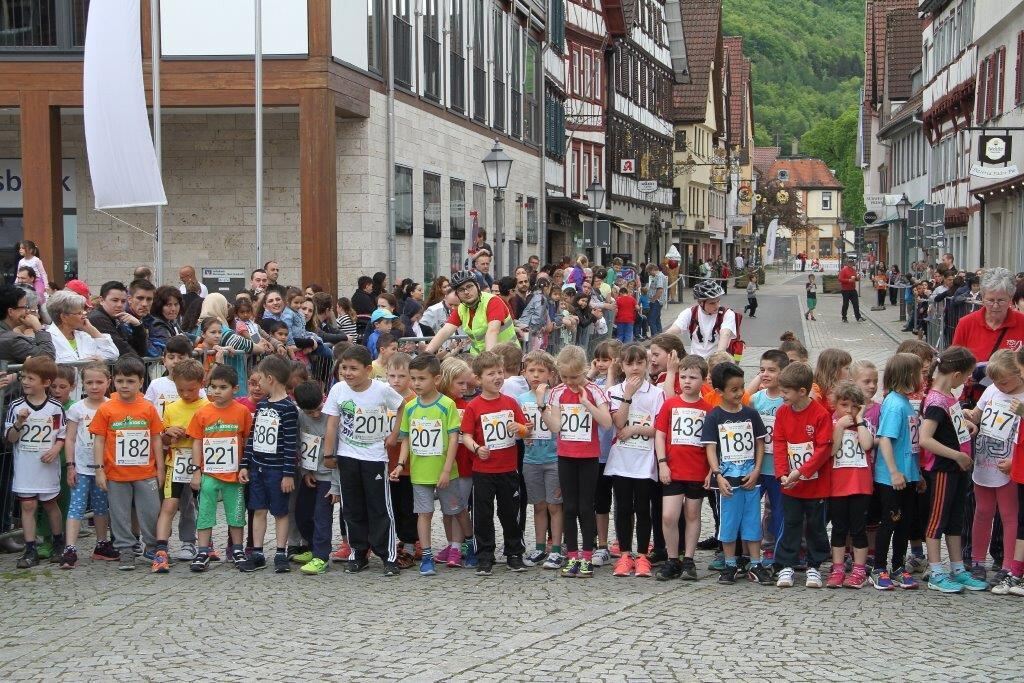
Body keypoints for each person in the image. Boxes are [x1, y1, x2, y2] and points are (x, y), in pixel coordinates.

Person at [323, 345, 406, 576]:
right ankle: (358, 552)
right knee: (351, 507)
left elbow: (401, 406)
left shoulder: (381, 390)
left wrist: (394, 433)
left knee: (379, 507)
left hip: (374, 457)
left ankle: (388, 555)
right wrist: (328, 454)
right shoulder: (338, 390)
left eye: (354, 369)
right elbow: (331, 423)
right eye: (344, 368)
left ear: (368, 370)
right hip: (347, 456)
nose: (348, 373)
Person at [918, 346, 989, 593]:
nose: (968, 380)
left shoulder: (949, 395)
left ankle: (957, 568)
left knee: (955, 521)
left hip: (958, 469)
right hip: (943, 469)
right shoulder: (936, 400)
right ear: (957, 374)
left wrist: (967, 426)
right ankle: (936, 570)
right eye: (968, 375)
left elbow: (953, 425)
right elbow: (926, 438)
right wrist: (957, 455)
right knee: (938, 520)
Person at [539, 346, 612, 578]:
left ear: (584, 371)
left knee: (585, 507)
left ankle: (587, 556)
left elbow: (607, 422)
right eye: (565, 377)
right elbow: (556, 428)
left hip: (589, 457)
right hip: (566, 456)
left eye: (575, 377)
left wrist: (586, 404)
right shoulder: (558, 392)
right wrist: (542, 407)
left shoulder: (595, 391)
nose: (570, 382)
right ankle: (572, 556)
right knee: (569, 507)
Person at [460, 351, 532, 575]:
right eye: (491, 374)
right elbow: (467, 435)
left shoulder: (511, 402)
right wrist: (476, 449)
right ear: (479, 379)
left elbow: (526, 431)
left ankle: (514, 552)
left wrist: (518, 429)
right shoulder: (474, 406)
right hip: (483, 470)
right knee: (482, 514)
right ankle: (485, 555)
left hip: (508, 469)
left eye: (500, 372)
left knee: (510, 513)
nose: (497, 377)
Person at [90, 356, 163, 570]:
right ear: (114, 382)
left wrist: (160, 468)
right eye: (121, 381)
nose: (125, 386)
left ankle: (152, 546)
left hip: (146, 471)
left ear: (141, 382)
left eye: (130, 381)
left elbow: (156, 438)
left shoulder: (148, 408)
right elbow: (99, 440)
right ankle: (126, 549)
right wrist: (99, 470)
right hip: (116, 473)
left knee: (151, 511)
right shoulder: (106, 409)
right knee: (119, 513)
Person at [701, 362, 772, 585]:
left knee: (752, 522)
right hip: (728, 481)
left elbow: (760, 443)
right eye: (734, 390)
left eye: (742, 387)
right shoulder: (714, 417)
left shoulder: (751, 414)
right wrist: (717, 474)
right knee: (729, 524)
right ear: (719, 392)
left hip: (751, 478)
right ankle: (730, 564)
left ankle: (755, 563)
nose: (740, 392)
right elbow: (710, 448)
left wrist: (757, 469)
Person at [392, 354, 463, 577]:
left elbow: (453, 438)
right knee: (424, 513)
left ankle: (460, 546)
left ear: (437, 379)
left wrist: (446, 469)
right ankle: (428, 555)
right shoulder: (410, 407)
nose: (416, 384)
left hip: (445, 472)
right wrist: (400, 464)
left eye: (421, 378)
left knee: (455, 511)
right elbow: (406, 439)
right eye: (413, 379)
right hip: (420, 473)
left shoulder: (447, 405)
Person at [185, 364, 252, 571]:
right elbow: (196, 441)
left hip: (233, 474)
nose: (216, 392)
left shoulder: (242, 412)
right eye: (213, 387)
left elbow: (247, 440)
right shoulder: (202, 413)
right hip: (209, 473)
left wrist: (245, 467)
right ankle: (203, 550)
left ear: (235, 388)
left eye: (223, 387)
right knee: (205, 511)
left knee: (236, 512)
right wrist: (196, 470)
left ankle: (237, 549)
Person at [771, 362, 832, 589]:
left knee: (816, 525)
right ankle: (786, 563)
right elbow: (778, 443)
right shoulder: (782, 413)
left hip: (815, 483)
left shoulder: (820, 414)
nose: (782, 396)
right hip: (790, 484)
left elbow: (823, 449)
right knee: (791, 522)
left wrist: (802, 471)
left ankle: (814, 565)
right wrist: (782, 473)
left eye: (785, 392)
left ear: (802, 392)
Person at [237, 355, 299, 574]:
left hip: (277, 470)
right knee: (258, 509)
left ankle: (281, 552)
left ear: (270, 379)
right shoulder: (262, 405)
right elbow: (253, 438)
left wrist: (288, 474)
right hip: (258, 468)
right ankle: (257, 552)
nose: (258, 384)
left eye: (260, 379)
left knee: (280, 512)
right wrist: (245, 464)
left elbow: (290, 443)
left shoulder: (288, 408)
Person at [606, 343, 663, 578]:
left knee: (643, 507)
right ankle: (625, 555)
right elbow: (618, 423)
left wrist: (637, 428)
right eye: (630, 363)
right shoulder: (613, 392)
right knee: (622, 508)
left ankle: (642, 555)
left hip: (644, 459)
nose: (635, 368)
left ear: (647, 364)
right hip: (622, 459)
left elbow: (660, 428)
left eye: (640, 363)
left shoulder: (657, 393)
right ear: (622, 365)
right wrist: (627, 397)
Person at [967, 351, 1022, 588]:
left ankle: (1008, 565)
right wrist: (968, 419)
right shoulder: (991, 390)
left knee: (1009, 516)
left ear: (1018, 373)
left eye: (1006, 381)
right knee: (982, 511)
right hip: (984, 460)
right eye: (997, 382)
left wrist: (1015, 463)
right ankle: (977, 561)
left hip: (1009, 464)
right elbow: (978, 415)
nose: (1001, 386)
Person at [871, 352, 924, 590]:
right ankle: (879, 567)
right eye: (919, 372)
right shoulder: (894, 404)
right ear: (908, 375)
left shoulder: (904, 402)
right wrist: (894, 472)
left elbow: (910, 443)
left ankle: (899, 566)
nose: (922, 376)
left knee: (905, 523)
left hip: (909, 475)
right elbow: (884, 440)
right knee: (890, 522)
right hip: (892, 478)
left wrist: (917, 473)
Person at [151, 359, 209, 574]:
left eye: (191, 389)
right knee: (169, 506)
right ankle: (161, 550)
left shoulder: (207, 406)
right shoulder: (172, 408)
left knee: (200, 505)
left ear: (201, 384)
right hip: (175, 463)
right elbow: (164, 440)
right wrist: (168, 434)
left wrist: (193, 434)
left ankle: (202, 545)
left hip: (200, 464)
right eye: (180, 389)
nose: (185, 394)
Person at [7, 356, 66, 569]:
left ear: (46, 383)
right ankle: (30, 548)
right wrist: (19, 422)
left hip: (47, 465)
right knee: (28, 504)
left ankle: (58, 542)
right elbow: (10, 438)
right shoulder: (16, 406)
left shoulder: (55, 408)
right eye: (23, 377)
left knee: (50, 503)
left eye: (31, 378)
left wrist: (56, 449)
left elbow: (61, 433)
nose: (25, 382)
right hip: (26, 464)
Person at [60, 363, 117, 568]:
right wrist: (70, 465)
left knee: (101, 506)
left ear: (108, 382)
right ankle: (70, 547)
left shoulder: (111, 406)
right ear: (82, 384)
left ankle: (101, 543)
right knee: (77, 505)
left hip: (104, 467)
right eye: (89, 382)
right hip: (82, 467)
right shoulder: (77, 408)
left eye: (99, 382)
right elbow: (70, 439)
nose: (94, 386)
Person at [825, 381, 875, 589]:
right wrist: (838, 426)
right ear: (836, 405)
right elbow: (831, 450)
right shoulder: (831, 423)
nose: (849, 410)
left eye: (855, 406)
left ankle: (859, 569)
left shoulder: (863, 424)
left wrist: (860, 420)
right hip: (837, 485)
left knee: (858, 528)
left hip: (860, 485)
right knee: (838, 528)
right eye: (844, 405)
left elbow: (867, 445)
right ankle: (837, 567)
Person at [518, 350, 563, 569]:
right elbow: (517, 430)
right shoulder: (520, 400)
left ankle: (555, 548)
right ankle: (538, 546)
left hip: (553, 458)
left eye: (541, 371)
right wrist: (521, 432)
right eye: (531, 370)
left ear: (550, 374)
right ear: (524, 373)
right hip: (531, 459)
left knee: (555, 506)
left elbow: (560, 427)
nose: (536, 375)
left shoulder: (556, 397)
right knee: (538, 506)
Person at [424, 270, 518, 356]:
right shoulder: (462, 308)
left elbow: (492, 331)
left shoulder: (492, 301)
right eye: (461, 290)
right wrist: (426, 353)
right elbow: (445, 331)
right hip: (480, 358)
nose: (466, 292)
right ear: (457, 294)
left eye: (469, 286)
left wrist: (489, 359)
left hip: (507, 357)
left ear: (477, 286)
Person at [952, 268, 1024, 363]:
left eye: (1001, 300)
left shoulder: (1022, 322)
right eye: (990, 300)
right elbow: (954, 363)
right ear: (982, 298)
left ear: (1011, 299)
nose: (995, 306)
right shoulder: (966, 323)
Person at [665, 279, 736, 359]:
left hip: (717, 359)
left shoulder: (727, 314)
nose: (717, 306)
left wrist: (718, 356)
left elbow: (725, 334)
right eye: (712, 303)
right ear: (700, 303)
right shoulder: (690, 312)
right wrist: (659, 342)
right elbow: (674, 329)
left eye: (718, 301)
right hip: (696, 361)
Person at [88, 281, 148, 357]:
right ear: (101, 300)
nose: (120, 305)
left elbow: (140, 352)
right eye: (115, 300)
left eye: (123, 301)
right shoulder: (97, 318)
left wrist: (137, 325)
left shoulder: (118, 319)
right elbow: (124, 350)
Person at [0, 284, 54, 362]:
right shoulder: (12, 340)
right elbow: (47, 358)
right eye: (25, 307)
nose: (27, 311)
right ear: (10, 312)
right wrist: (39, 329)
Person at [838, 257, 865, 323]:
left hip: (852, 289)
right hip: (845, 290)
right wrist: (848, 280)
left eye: (852, 263)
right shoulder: (844, 270)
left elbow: (855, 279)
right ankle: (844, 317)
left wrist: (857, 278)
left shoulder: (853, 270)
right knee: (845, 304)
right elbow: (840, 279)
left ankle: (858, 317)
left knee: (856, 303)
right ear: (847, 263)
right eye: (849, 262)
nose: (851, 264)